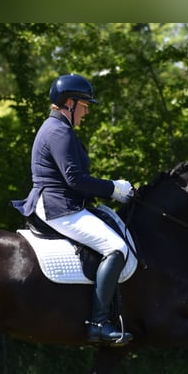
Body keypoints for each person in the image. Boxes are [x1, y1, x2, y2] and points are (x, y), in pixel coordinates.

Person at [11, 73, 134, 346]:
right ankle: (99, 323)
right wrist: (113, 188)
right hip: (58, 206)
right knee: (117, 248)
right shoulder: (58, 130)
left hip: (63, 202)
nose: (87, 111)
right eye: (85, 105)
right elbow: (74, 179)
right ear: (70, 103)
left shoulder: (59, 129)